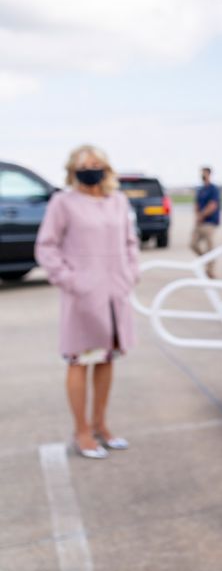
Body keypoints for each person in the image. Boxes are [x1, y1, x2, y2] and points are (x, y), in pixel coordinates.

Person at [35, 144, 139, 459]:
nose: (91, 168)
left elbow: (130, 242)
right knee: (80, 359)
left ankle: (101, 426)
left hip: (114, 294)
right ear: (73, 169)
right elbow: (47, 247)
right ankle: (82, 431)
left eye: (96, 163)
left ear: (105, 168)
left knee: (106, 358)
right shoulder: (63, 203)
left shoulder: (118, 201)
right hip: (82, 296)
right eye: (85, 164)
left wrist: (130, 274)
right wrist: (71, 281)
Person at [191, 166, 220, 277]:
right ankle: (206, 261)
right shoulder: (200, 189)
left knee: (210, 247)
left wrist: (202, 215)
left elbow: (213, 205)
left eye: (204, 173)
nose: (202, 175)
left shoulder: (213, 189)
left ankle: (210, 270)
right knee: (193, 244)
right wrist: (197, 216)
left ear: (209, 174)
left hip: (209, 222)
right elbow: (196, 204)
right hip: (199, 222)